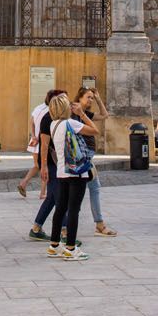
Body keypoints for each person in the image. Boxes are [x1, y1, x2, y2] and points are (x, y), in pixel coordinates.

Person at [47, 92, 97, 260]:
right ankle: (70, 247)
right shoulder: (71, 123)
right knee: (74, 210)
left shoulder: (53, 125)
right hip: (77, 172)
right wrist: (82, 114)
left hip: (62, 172)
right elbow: (95, 131)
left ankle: (54, 245)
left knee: (60, 208)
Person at [27, 89, 69, 241]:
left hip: (57, 161)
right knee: (60, 197)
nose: (67, 102)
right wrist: (43, 167)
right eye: (63, 99)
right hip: (50, 162)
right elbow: (44, 145)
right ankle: (65, 233)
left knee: (52, 196)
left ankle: (36, 228)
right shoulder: (47, 119)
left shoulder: (60, 118)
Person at [74, 87, 117, 237]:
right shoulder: (74, 112)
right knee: (88, 190)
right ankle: (98, 224)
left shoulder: (86, 113)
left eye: (92, 98)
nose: (90, 100)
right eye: (88, 97)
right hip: (82, 158)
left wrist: (99, 99)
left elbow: (105, 115)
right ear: (79, 98)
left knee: (92, 189)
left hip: (87, 157)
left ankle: (98, 224)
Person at [18, 90, 58, 199]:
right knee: (46, 167)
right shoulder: (51, 111)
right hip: (43, 142)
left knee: (37, 165)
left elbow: (31, 121)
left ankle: (23, 183)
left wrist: (33, 135)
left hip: (35, 142)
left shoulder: (38, 108)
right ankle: (43, 193)